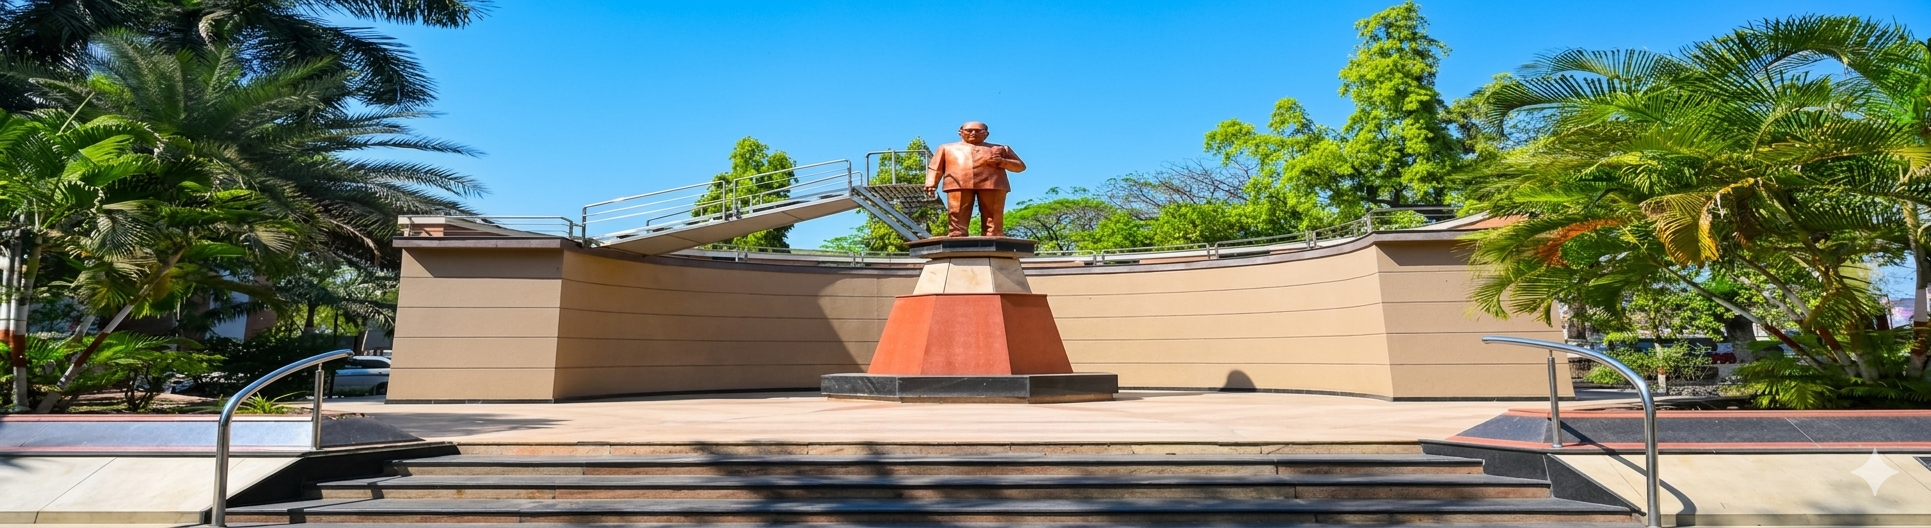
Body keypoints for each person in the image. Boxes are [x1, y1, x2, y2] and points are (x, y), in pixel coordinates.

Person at [924, 121, 1027, 237]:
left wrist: (1002, 162)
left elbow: (1020, 166)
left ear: (986, 134)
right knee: (957, 213)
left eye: (978, 131)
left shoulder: (1001, 148)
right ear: (960, 132)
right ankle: (957, 233)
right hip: (958, 183)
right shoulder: (946, 148)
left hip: (993, 183)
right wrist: (931, 183)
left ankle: (993, 233)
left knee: (993, 215)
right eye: (969, 130)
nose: (973, 133)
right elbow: (935, 167)